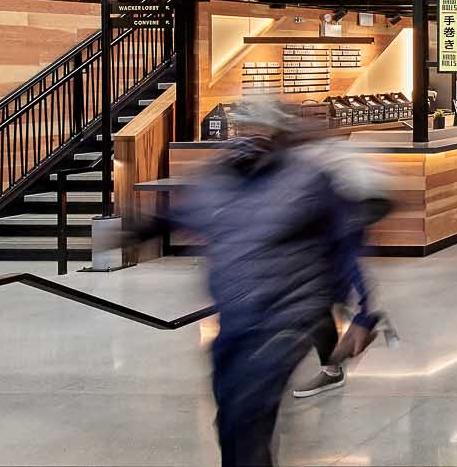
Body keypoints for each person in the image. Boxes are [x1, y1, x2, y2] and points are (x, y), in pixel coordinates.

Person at [146, 99, 358, 467]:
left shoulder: (307, 178)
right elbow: (185, 212)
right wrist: (138, 228)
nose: (251, 137)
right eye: (245, 128)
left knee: (248, 416)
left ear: (279, 132)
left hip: (285, 316)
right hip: (236, 319)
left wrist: (361, 309)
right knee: (230, 416)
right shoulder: (221, 176)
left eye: (260, 129)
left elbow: (342, 243)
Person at [291, 134, 397, 399]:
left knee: (319, 294)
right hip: (353, 201)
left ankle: (333, 368)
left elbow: (349, 257)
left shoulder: (310, 175)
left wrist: (364, 311)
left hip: (354, 203)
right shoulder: (299, 163)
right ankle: (361, 323)